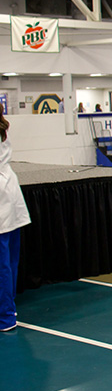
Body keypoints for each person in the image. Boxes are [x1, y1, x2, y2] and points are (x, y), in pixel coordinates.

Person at [0, 104, 31, 332]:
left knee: (4, 265)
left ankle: (5, 316)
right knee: (9, 262)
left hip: (4, 198)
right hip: (9, 193)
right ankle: (8, 310)